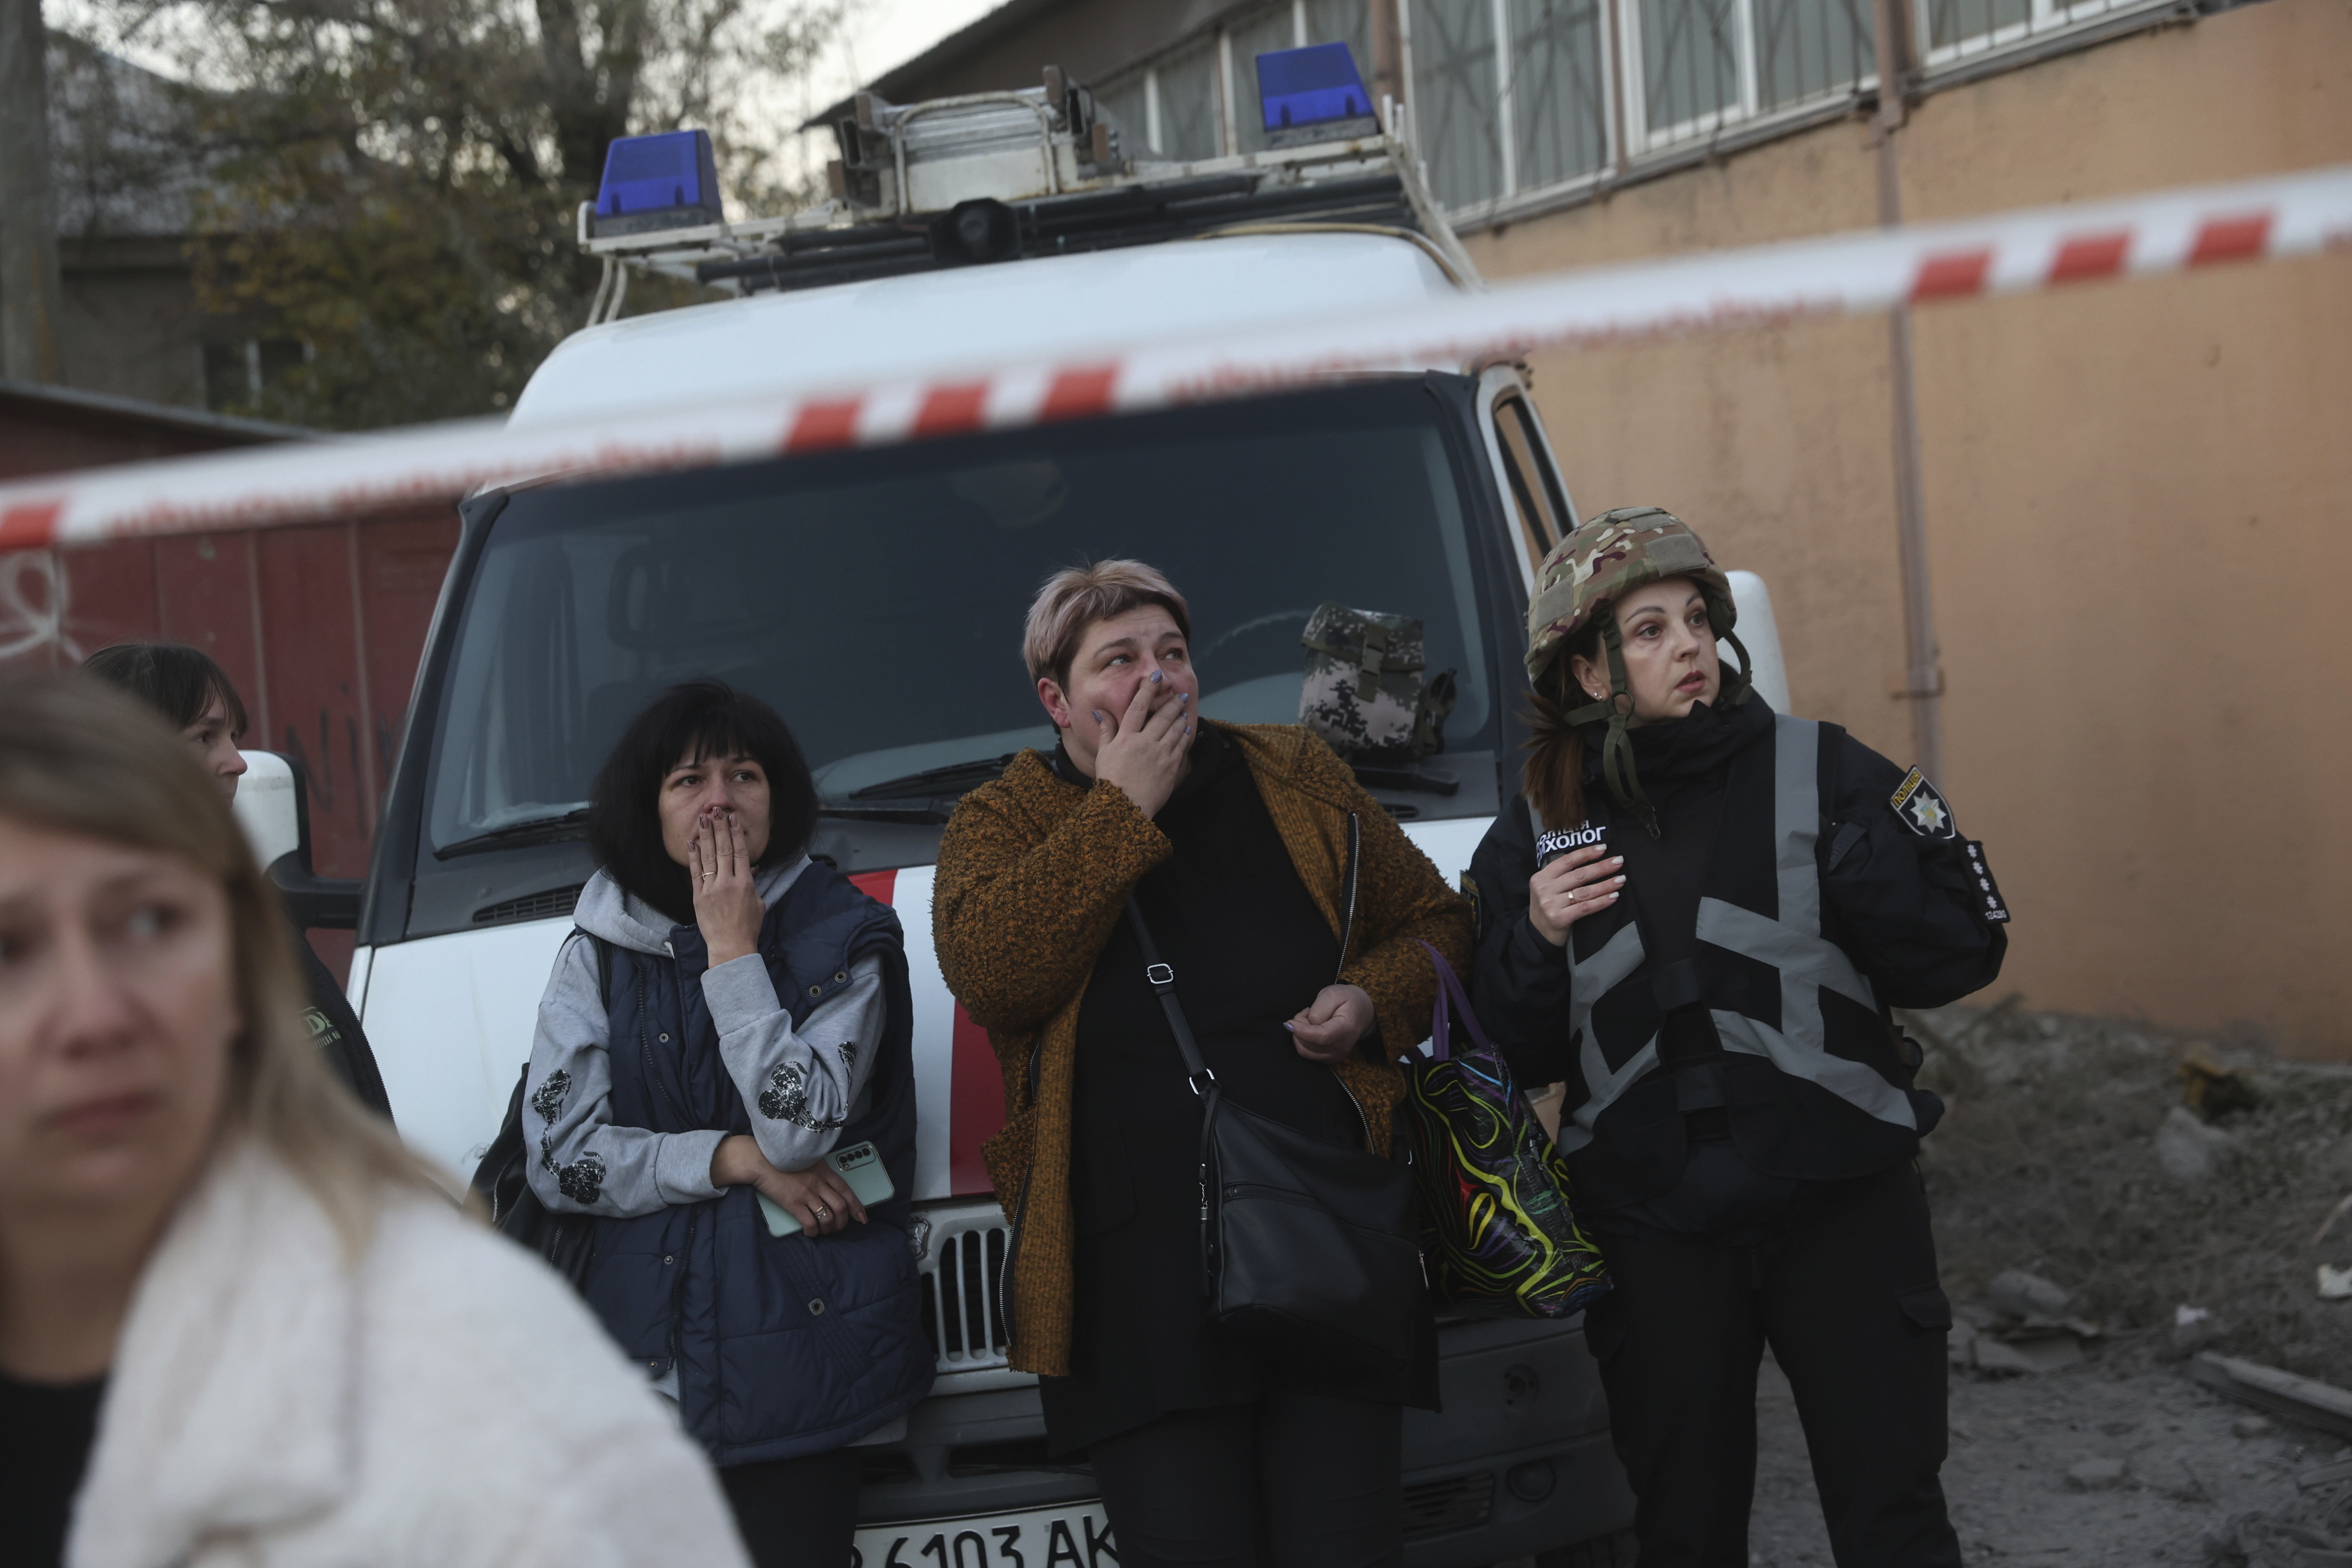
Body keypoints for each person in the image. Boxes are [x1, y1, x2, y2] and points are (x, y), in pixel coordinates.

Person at [0, 675, 749, 1568]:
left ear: (244, 966)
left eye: (150, 919)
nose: (94, 1010)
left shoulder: (464, 1342)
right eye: (11, 947)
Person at [1466, 509, 2010, 1568]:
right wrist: (1533, 936)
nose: (1689, 649)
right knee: (1684, 1534)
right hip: (1654, 1235)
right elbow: (1506, 1051)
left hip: (1844, 1209)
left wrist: (1868, 877)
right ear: (1588, 672)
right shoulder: (1537, 824)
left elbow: (1963, 955)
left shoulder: (1827, 771)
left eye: (1696, 623)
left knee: (1893, 1521)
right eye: (1650, 631)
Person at [933, 560, 1473, 1568]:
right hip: (1134, 1294)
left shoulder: (1291, 772)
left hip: (1323, 1246)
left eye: (1172, 653)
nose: (1157, 679)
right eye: (1119, 661)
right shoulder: (999, 818)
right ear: (1056, 699)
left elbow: (1438, 919)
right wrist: (1118, 810)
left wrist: (1370, 1002)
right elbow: (995, 976)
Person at [523, 679, 931, 1568]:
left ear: (778, 796)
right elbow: (562, 1160)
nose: (718, 798)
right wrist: (729, 1158)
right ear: (649, 807)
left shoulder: (846, 933)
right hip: (645, 1378)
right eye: (687, 780)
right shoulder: (595, 951)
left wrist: (734, 951)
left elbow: (800, 1132)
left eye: (743, 774)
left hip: (802, 1363)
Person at [80, 640, 394, 1122]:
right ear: (131, 753)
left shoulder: (231, 903)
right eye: (206, 738)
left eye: (232, 735)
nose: (239, 762)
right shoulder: (109, 946)